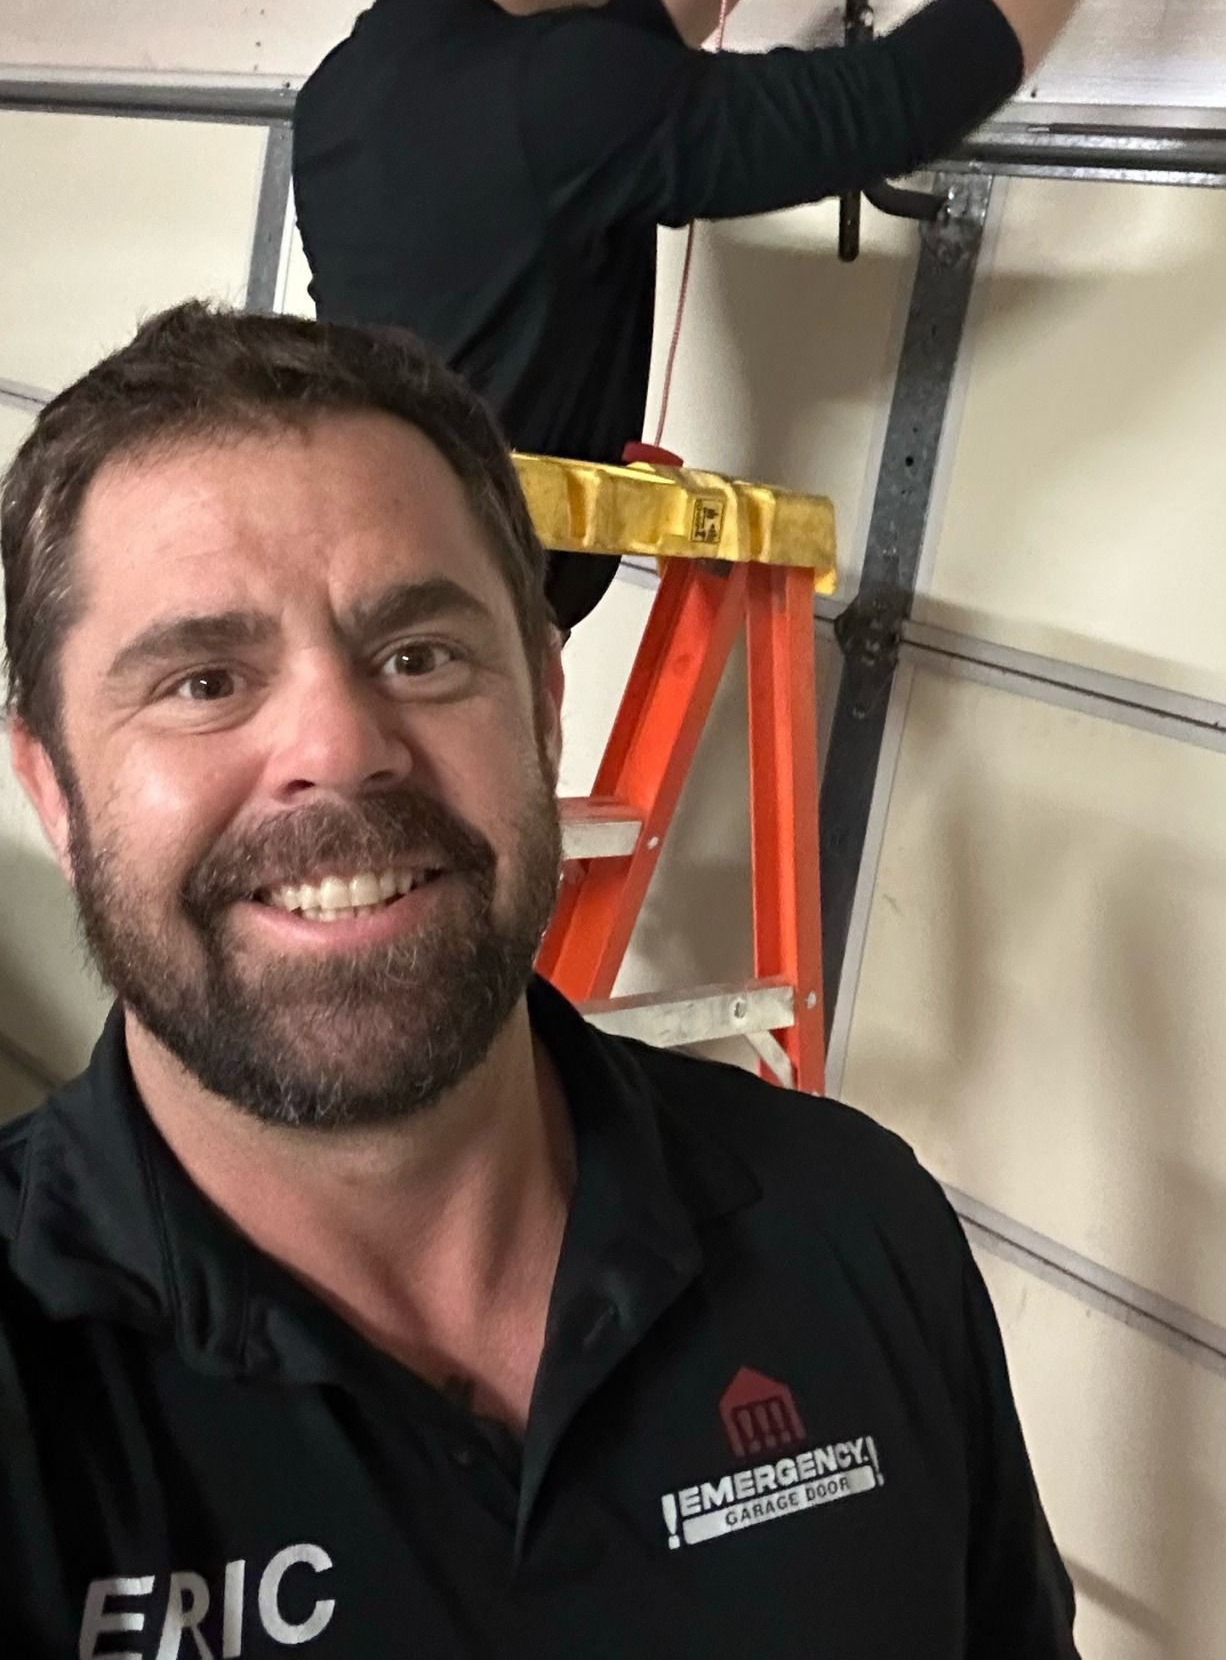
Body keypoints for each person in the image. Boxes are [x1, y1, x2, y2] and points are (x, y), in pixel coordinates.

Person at [0, 302, 1077, 1658]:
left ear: (545, 707)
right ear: (53, 785)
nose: (340, 746)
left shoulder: (855, 1231)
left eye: (419, 656)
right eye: (205, 680)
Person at [293, 0, 1179, 629]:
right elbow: (892, 104)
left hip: (382, 584)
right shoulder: (552, 95)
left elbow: (608, 61)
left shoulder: (352, 87)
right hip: (474, 636)